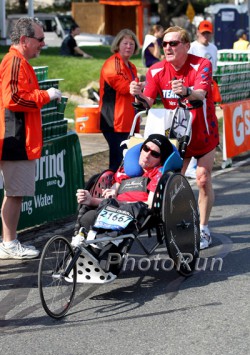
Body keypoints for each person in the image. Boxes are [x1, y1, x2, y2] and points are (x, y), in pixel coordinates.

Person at [130, 26, 219, 250]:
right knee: (172, 184)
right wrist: (137, 95)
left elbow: (200, 95)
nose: (167, 47)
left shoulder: (201, 64)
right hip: (178, 137)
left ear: (186, 46)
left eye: (173, 43)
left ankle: (204, 229)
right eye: (165, 44)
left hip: (203, 133)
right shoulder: (156, 70)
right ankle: (179, 223)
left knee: (203, 178)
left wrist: (187, 91)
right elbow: (146, 103)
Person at [0, 17, 62, 260]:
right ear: (24, 40)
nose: (43, 44)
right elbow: (13, 98)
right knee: (15, 194)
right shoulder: (14, 61)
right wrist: (45, 95)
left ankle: (8, 242)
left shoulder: (17, 61)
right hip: (15, 137)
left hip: (15, 136)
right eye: (40, 39)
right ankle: (9, 242)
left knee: (13, 194)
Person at [72, 134, 173, 250]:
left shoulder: (157, 174)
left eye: (154, 154)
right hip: (113, 208)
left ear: (161, 160)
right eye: (146, 149)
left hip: (134, 211)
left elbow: (149, 204)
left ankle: (102, 245)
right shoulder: (126, 170)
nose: (147, 155)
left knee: (129, 209)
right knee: (88, 216)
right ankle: (85, 240)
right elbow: (112, 198)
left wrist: (121, 203)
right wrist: (91, 200)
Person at [99, 28, 140, 171]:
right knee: (116, 163)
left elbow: (136, 92)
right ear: (118, 44)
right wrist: (141, 87)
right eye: (125, 43)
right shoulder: (113, 64)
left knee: (126, 163)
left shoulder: (131, 67)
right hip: (114, 122)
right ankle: (110, 192)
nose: (129, 46)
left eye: (132, 44)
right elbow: (125, 88)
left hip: (129, 121)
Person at [185, 19, 218, 179]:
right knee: (192, 129)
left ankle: (200, 164)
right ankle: (189, 166)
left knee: (205, 129)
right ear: (198, 32)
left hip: (206, 92)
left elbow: (214, 70)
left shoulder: (213, 48)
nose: (205, 35)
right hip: (192, 91)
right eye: (203, 32)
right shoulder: (192, 47)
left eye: (208, 33)